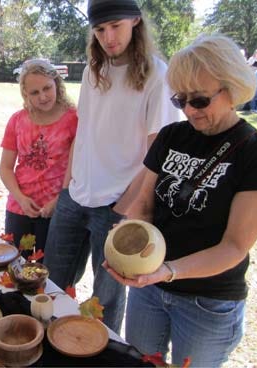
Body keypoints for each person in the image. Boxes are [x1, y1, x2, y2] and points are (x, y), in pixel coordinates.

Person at [104, 34, 257, 367]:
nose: (190, 111)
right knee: (139, 362)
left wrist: (168, 271)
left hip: (207, 302)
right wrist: (125, 247)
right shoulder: (171, 136)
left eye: (200, 100)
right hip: (149, 290)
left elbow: (235, 246)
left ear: (233, 88)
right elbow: (144, 205)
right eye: (181, 100)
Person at [43, 0, 180, 334]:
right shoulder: (93, 70)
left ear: (135, 20)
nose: (108, 37)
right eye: (100, 29)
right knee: (50, 286)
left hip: (118, 204)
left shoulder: (158, 75)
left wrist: (125, 208)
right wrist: (66, 186)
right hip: (75, 197)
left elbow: (157, 156)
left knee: (105, 302)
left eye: (115, 25)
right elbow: (83, 131)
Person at [0, 59, 77, 256]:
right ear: (25, 94)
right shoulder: (17, 120)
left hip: (57, 211)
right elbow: (6, 168)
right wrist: (21, 199)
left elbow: (80, 170)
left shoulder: (74, 119)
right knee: (16, 266)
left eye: (47, 88)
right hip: (19, 209)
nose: (43, 96)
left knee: (49, 273)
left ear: (57, 84)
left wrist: (58, 200)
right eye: (34, 92)